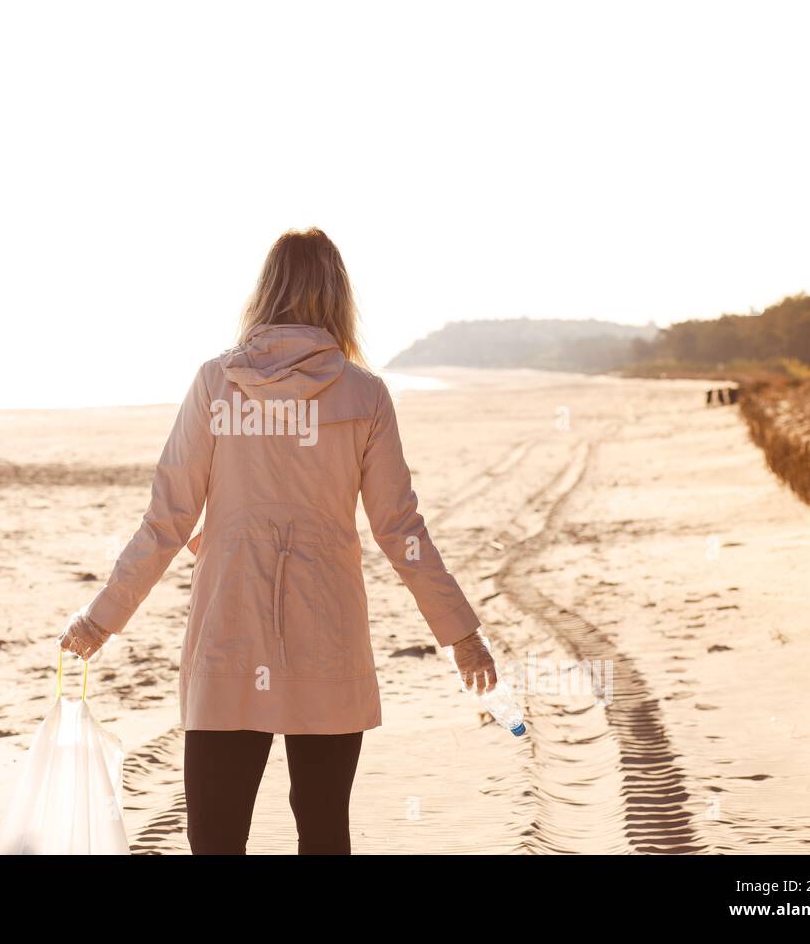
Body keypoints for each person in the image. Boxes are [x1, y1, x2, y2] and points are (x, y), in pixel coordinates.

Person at [58, 227, 497, 854]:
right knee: (323, 832)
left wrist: (102, 618)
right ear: (338, 297)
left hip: (229, 634)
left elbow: (169, 518)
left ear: (265, 292)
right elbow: (401, 530)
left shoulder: (217, 383)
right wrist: (462, 634)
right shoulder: (364, 393)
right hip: (328, 638)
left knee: (215, 838)